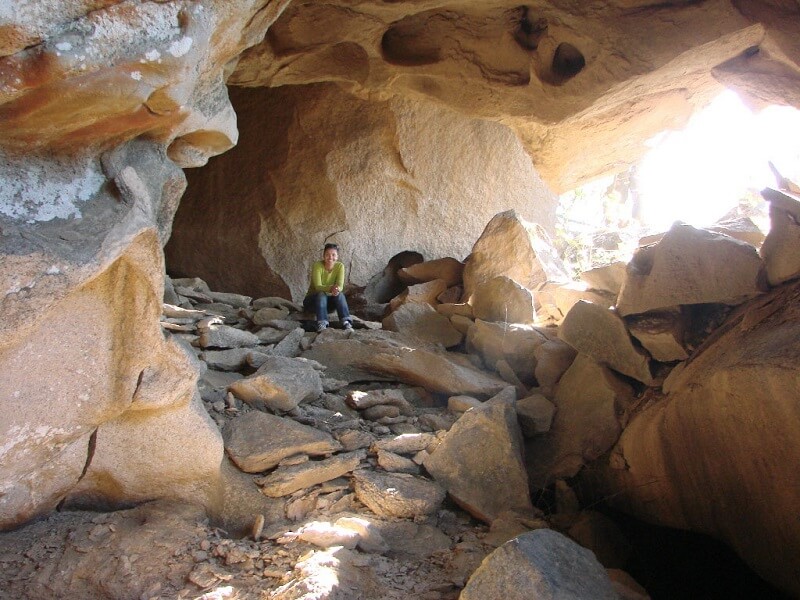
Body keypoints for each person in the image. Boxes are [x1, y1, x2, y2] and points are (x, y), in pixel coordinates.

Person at [303, 243, 353, 332]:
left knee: (340, 294)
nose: (330, 257)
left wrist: (336, 290)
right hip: (312, 302)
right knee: (321, 294)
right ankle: (322, 323)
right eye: (327, 255)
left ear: (337, 256)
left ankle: (346, 322)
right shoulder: (317, 266)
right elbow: (318, 286)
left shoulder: (340, 266)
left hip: (327, 305)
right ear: (323, 256)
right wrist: (331, 288)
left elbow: (340, 286)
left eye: (333, 255)